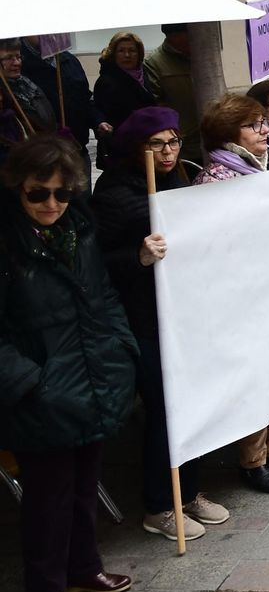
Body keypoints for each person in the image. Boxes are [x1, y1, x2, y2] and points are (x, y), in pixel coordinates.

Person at [0, 134, 137, 592]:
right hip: (42, 393)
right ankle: (46, 585)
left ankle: (84, 567)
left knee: (84, 483)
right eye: (38, 193)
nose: (51, 204)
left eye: (61, 193)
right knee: (47, 498)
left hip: (93, 376)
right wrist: (32, 384)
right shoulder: (7, 242)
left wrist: (122, 350)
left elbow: (104, 298)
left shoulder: (81, 230)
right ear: (18, 189)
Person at [90, 108, 230, 543]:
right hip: (141, 319)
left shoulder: (177, 180)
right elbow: (97, 265)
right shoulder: (113, 194)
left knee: (191, 401)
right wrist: (139, 256)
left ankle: (187, 491)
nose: (168, 152)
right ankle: (158, 504)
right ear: (138, 148)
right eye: (157, 144)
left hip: (182, 312)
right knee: (164, 408)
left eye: (173, 142)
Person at [191, 95, 269, 491]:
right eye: (255, 126)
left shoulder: (258, 168)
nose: (265, 132)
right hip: (244, 294)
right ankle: (252, 459)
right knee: (259, 374)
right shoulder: (217, 178)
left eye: (264, 124)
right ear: (231, 134)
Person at [21, 38, 103, 158]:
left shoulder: (69, 60)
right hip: (44, 155)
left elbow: (84, 97)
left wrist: (98, 121)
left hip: (77, 148)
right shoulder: (18, 65)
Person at [93, 33, 159, 164]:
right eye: (121, 51)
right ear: (114, 54)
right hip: (121, 146)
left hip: (146, 140)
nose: (127, 55)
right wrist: (101, 123)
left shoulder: (144, 73)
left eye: (132, 50)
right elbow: (96, 107)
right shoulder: (107, 80)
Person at [143, 25, 200, 162]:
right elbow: (156, 104)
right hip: (182, 141)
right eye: (188, 34)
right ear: (174, 36)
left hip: (206, 135)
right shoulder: (154, 62)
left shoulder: (202, 56)